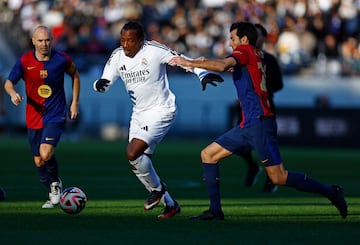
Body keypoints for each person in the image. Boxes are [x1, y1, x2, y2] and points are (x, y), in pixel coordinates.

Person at [169, 21, 347, 220]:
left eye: (232, 38)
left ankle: (331, 192)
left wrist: (191, 63)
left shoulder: (244, 51)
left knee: (278, 177)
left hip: (259, 123)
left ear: (243, 39)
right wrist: (201, 62)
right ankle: (215, 211)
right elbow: (227, 66)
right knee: (208, 155)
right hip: (248, 124)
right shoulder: (255, 54)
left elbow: (222, 65)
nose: (230, 43)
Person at [93, 21, 223, 219]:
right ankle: (170, 205)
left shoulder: (154, 50)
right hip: (138, 114)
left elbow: (182, 60)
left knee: (132, 152)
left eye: (130, 41)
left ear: (141, 41)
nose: (125, 45)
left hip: (161, 110)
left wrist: (202, 73)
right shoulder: (117, 55)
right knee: (139, 161)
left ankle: (157, 190)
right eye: (123, 40)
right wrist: (98, 84)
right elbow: (105, 81)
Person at [4, 25, 80, 209]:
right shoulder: (24, 61)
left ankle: (55, 184)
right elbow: (8, 83)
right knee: (38, 160)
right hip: (33, 116)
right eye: (40, 40)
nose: (44, 44)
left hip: (56, 114)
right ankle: (52, 190)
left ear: (52, 41)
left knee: (46, 153)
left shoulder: (61, 59)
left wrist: (74, 102)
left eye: (47, 40)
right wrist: (13, 94)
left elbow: (75, 76)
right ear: (33, 41)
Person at [237, 23, 284, 193]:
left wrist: (261, 91)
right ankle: (252, 167)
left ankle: (274, 177)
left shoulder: (268, 59)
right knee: (238, 145)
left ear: (263, 37)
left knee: (267, 146)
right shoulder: (244, 56)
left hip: (264, 107)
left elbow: (278, 84)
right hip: (246, 107)